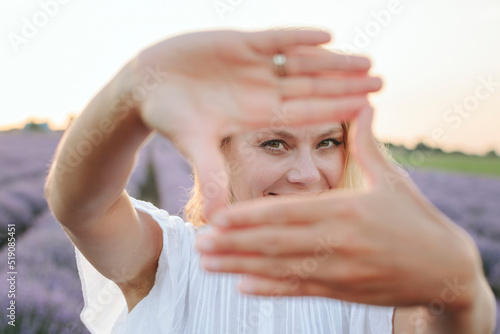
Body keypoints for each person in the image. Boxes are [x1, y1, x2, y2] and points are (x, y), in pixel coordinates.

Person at [44, 29, 496, 334]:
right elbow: (80, 204)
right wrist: (133, 87)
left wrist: (463, 290)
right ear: (220, 150)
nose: (305, 175)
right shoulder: (173, 262)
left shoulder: (378, 293)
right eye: (275, 143)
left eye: (328, 143)